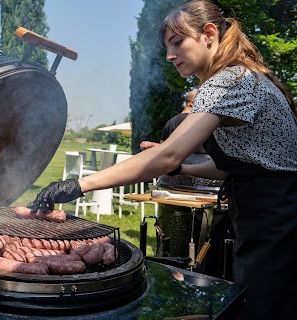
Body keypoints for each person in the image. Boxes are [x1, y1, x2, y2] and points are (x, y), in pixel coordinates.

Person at [27, 1, 297, 319]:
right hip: (271, 215)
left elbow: (167, 154)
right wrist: (181, 168)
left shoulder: (229, 82)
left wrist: (79, 184)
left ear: (209, 33)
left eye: (177, 42)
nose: (169, 55)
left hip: (279, 222)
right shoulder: (241, 77)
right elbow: (238, 167)